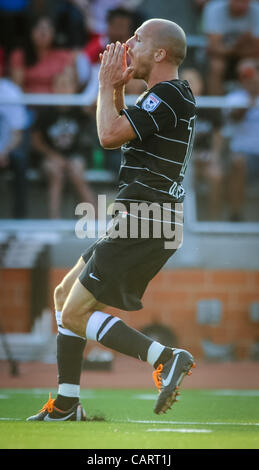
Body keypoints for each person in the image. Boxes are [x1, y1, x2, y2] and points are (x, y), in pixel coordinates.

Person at [27, 18, 196, 422]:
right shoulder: (166, 97)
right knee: (64, 297)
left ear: (158, 53)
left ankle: (166, 356)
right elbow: (123, 131)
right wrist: (118, 88)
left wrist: (104, 85)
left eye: (137, 39)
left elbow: (107, 135)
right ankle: (67, 404)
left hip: (146, 219)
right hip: (146, 219)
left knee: (73, 313)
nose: (128, 44)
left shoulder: (168, 95)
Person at [32, 67, 97, 219]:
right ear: (53, 88)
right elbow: (36, 141)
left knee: (76, 171)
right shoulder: (46, 111)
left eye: (67, 85)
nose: (63, 88)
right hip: (50, 156)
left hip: (75, 155)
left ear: (74, 88)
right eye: (60, 85)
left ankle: (97, 220)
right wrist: (54, 156)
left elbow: (96, 115)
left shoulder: (79, 110)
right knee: (55, 172)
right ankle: (54, 220)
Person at [181, 68, 224, 220]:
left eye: (193, 81)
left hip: (207, 158)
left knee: (215, 175)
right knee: (185, 174)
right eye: (185, 82)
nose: (189, 85)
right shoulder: (178, 107)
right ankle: (184, 220)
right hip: (184, 160)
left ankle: (214, 220)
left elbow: (218, 136)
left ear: (201, 84)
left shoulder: (209, 107)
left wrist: (214, 156)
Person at [225, 58, 259, 221]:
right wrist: (250, 100)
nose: (250, 78)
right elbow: (235, 117)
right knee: (239, 161)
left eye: (253, 73)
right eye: (246, 75)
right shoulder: (235, 97)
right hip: (242, 152)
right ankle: (235, 214)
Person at [202, 0, 259, 95]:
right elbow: (213, 48)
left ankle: (249, 106)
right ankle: (216, 107)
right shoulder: (214, 8)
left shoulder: (256, 11)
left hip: (244, 56)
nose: (241, 5)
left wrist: (230, 48)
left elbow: (256, 49)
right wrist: (239, 45)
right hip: (220, 56)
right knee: (216, 66)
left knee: (248, 67)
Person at [0, 72, 28, 218]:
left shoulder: (11, 91)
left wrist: (4, 152)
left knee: (20, 160)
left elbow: (18, 133)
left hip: (8, 149)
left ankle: (19, 218)